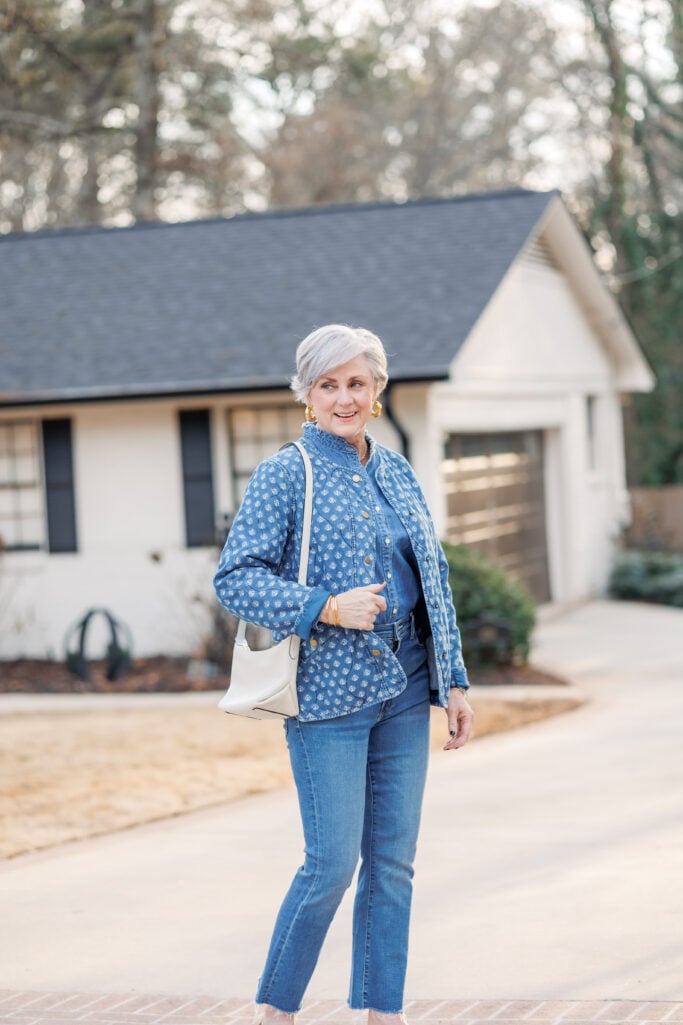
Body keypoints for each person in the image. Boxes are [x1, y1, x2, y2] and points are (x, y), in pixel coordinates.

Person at [214, 324, 473, 1025]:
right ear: (305, 394)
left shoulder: (395, 469)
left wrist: (452, 677)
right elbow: (234, 578)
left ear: (376, 390)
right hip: (328, 696)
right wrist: (323, 606)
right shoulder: (284, 473)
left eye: (355, 382)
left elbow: (433, 575)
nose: (343, 397)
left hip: (405, 685)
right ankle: (276, 1009)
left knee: (392, 865)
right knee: (329, 866)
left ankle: (381, 1013)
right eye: (327, 384)